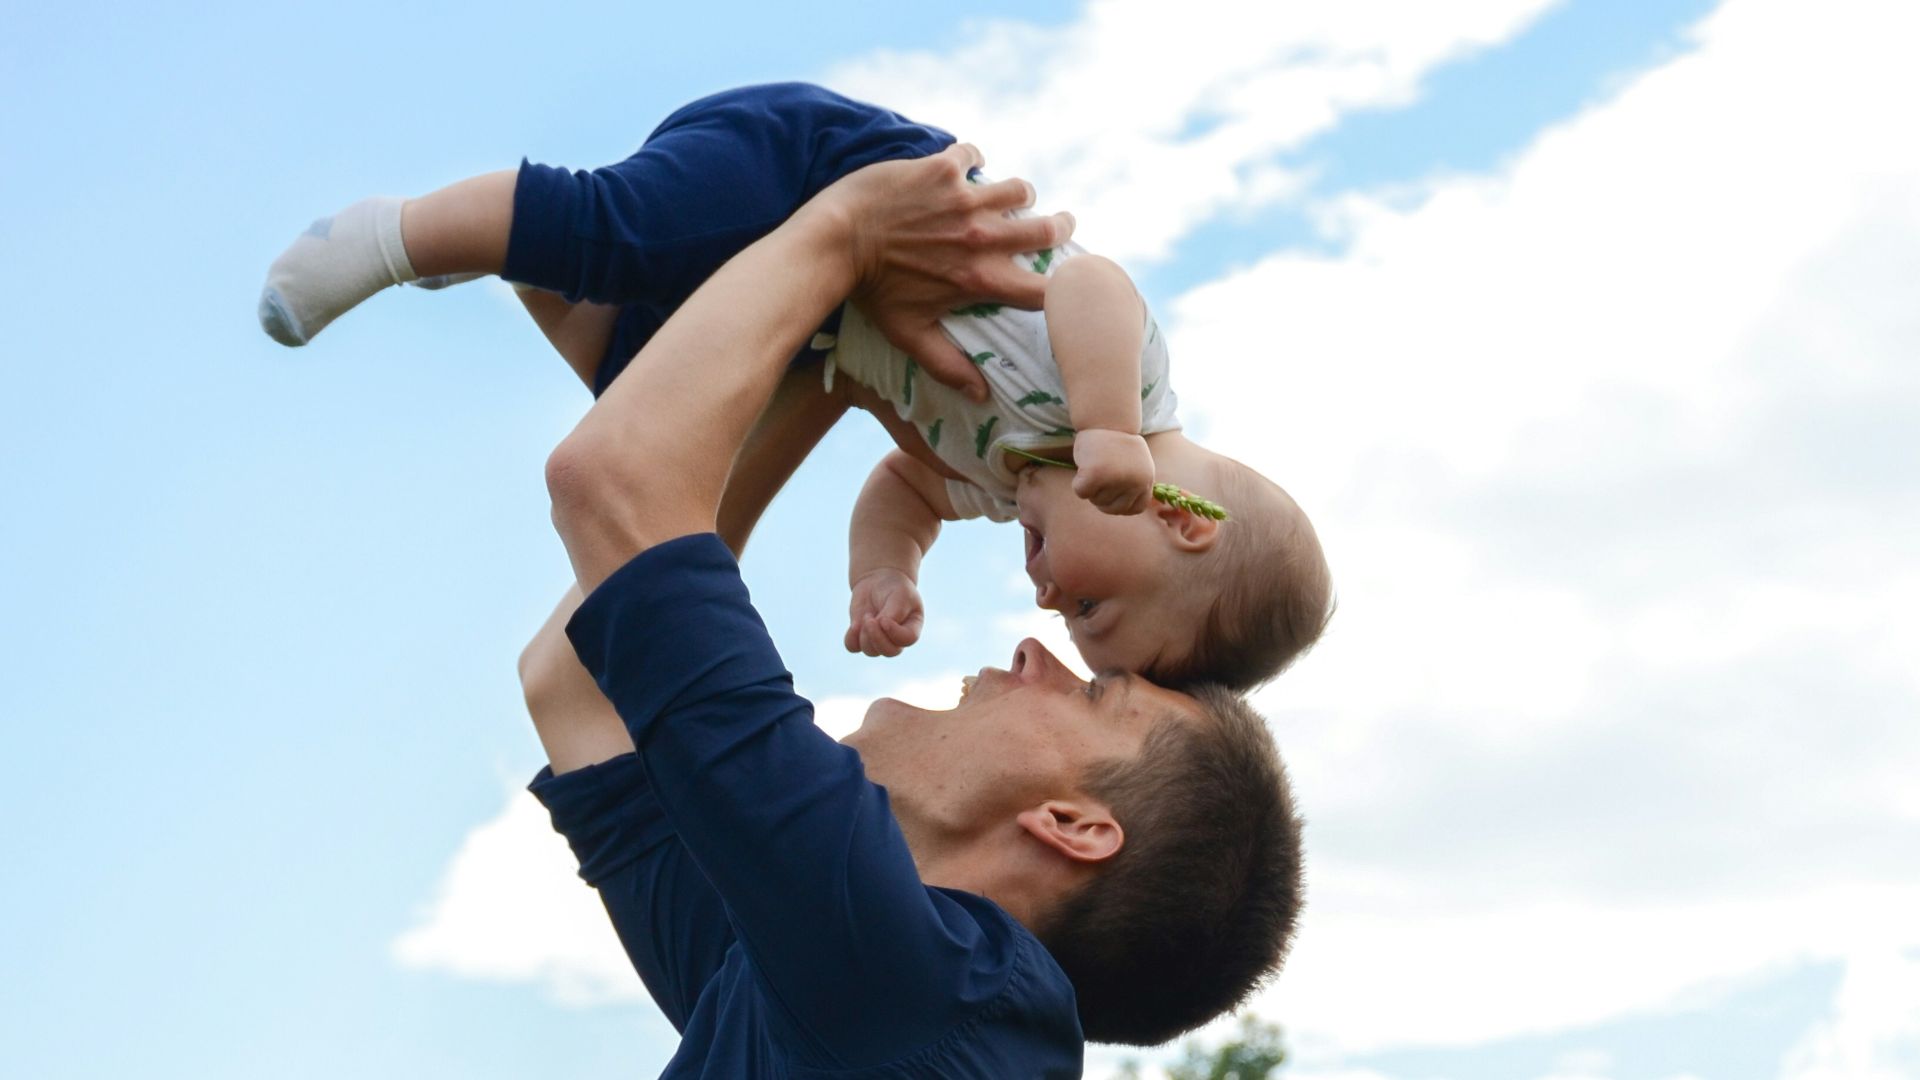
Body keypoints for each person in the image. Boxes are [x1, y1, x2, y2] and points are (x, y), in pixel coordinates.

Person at [519, 140, 1306, 1072]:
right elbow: (577, 678)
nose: (1035, 652)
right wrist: (834, 361)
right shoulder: (823, 984)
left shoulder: (926, 989)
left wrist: (850, 231)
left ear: (1075, 827)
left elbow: (608, 484)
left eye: (1096, 696)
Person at [258, 83, 1332, 690]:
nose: (1048, 598)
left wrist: (886, 572)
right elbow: (1095, 284)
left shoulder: (1005, 482)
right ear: (1186, 523)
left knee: (647, 385)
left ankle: (508, 245)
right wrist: (1106, 428)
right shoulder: (1125, 404)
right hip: (832, 172)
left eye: (1068, 618)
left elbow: (901, 489)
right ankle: (393, 235)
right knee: (623, 234)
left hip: (822, 307)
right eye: (1093, 605)